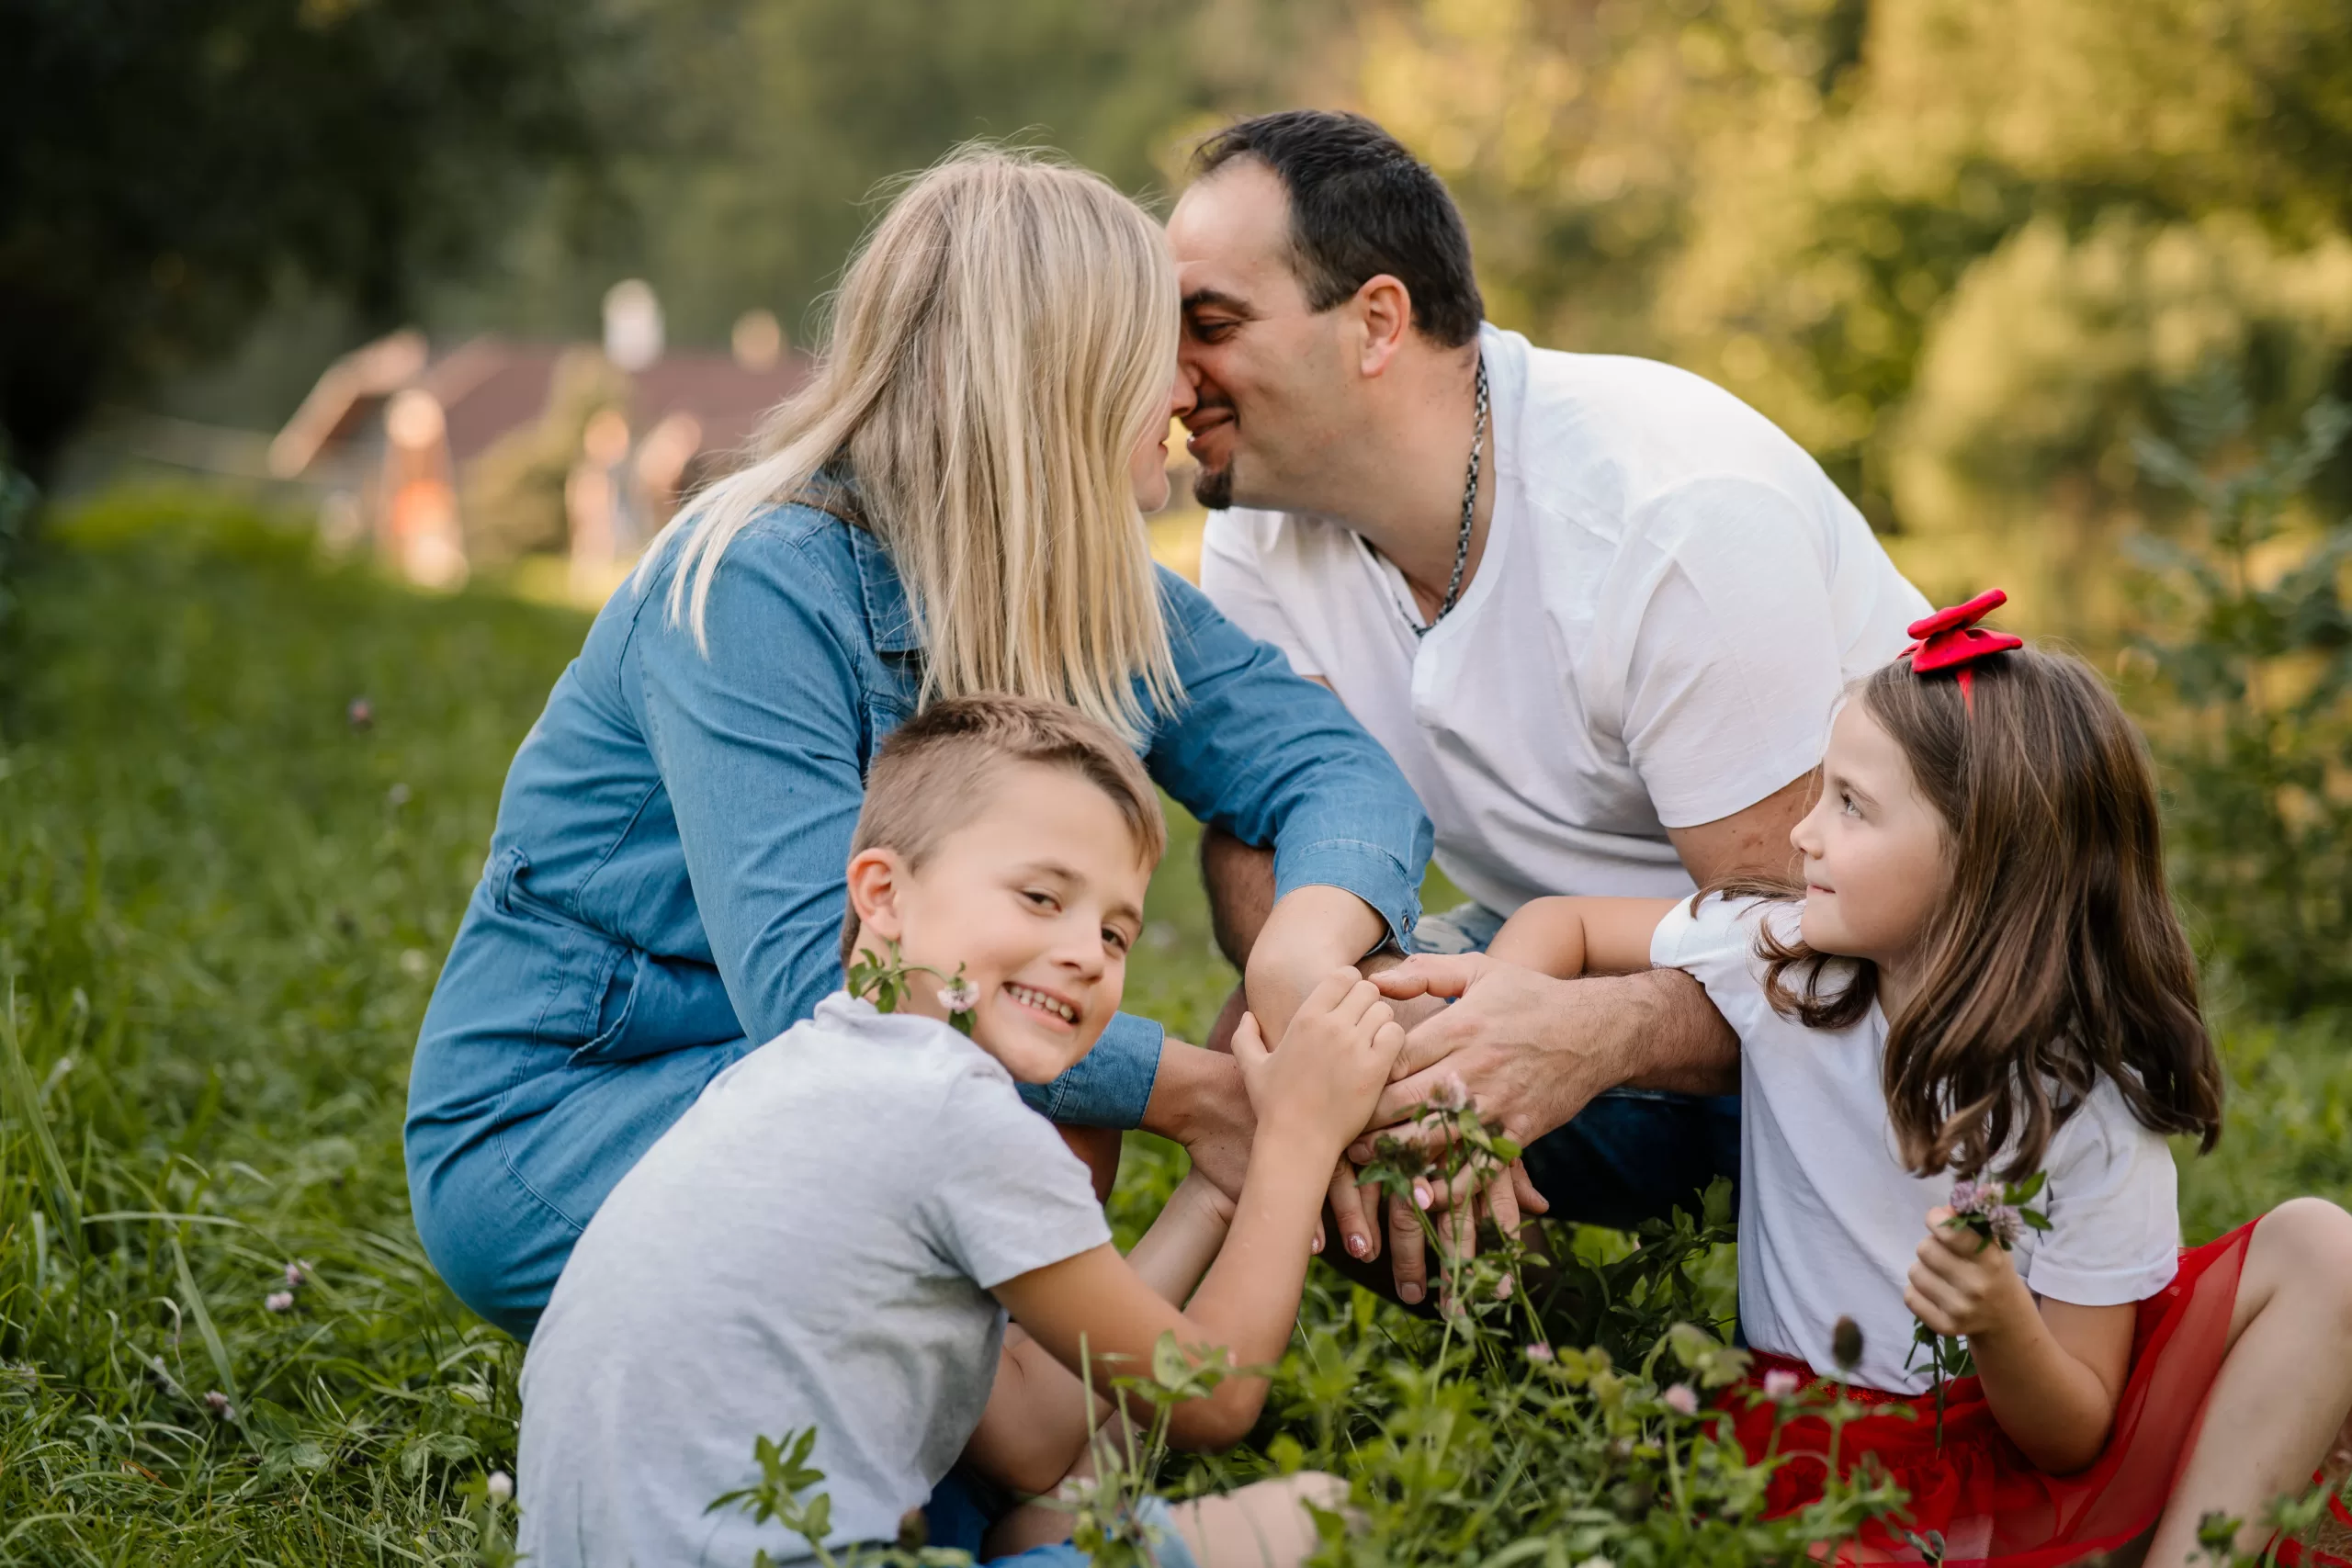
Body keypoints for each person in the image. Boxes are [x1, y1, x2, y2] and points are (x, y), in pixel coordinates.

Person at [404, 147, 1433, 1337]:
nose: (1187, 393)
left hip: (833, 1101)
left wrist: (1298, 965)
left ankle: (994, 1468)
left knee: (1021, 1093)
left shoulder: (1097, 594)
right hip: (571, 1121)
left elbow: (1336, 767)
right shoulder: (752, 583)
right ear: (1072, 379)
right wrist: (1203, 1092)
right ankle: (1006, 1471)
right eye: (1161, 350)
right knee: (1013, 1095)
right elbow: (827, 1000)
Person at [1165, 107, 1932, 1297]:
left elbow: (1826, 946)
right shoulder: (1261, 529)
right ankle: (1529, 1372)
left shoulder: (1666, 515)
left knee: (1401, 1061)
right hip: (1553, 952)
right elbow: (1262, 830)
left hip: (1923, 1006)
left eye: (1209, 326)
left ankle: (1671, 1398)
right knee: (1270, 1050)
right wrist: (1352, 1028)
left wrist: (1581, 1036)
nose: (1170, 379)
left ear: (1377, 321)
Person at [1481, 592, 2352, 1565]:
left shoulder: (2087, 1104)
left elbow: (2076, 1431)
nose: (1802, 835)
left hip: (2025, 1445)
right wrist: (1493, 1047)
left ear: (1982, 861)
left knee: (2326, 1250)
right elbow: (1566, 922)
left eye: (1850, 805)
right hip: (1822, 1456)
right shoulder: (1784, 964)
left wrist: (1997, 1323)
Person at [516, 694, 1385, 1568]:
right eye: (1041, 896)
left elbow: (1029, 1438)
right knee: (1318, 1514)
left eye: (1116, 932)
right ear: (884, 894)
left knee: (1034, 1521)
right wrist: (1296, 1140)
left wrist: (1217, 1188)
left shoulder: (788, 1076)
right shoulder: (951, 1109)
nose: (1087, 951)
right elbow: (1212, 1394)